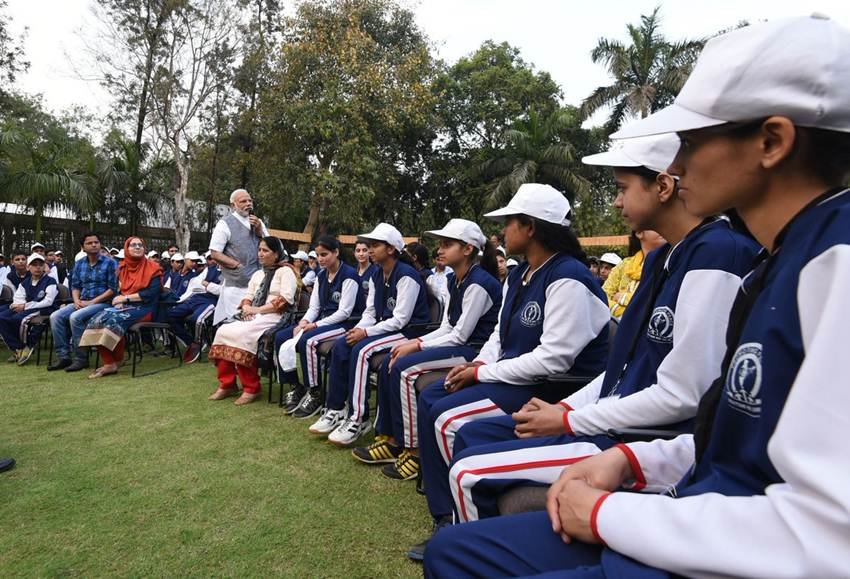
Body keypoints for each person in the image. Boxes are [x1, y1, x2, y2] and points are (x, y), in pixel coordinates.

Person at [425, 14, 850, 577]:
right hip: (697, 499)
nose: (678, 163)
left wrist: (605, 508)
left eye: (693, 142)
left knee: (465, 527)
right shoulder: (776, 256)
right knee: (456, 550)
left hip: (733, 539)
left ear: (772, 141)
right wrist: (628, 460)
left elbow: (824, 535)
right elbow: (725, 435)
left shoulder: (824, 260)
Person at [441, 133, 760, 527]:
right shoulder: (665, 259)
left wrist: (570, 420)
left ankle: (473, 539)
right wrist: (567, 410)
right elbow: (620, 372)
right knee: (476, 436)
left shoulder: (717, 254)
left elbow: (684, 396)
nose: (616, 201)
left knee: (470, 469)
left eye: (623, 189)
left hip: (642, 437)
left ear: (662, 186)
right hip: (611, 418)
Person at [410, 183, 611, 559]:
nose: (502, 232)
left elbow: (555, 360)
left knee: (448, 418)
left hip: (552, 389)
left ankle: (456, 522)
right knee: (432, 395)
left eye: (509, 222)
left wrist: (482, 375)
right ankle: (442, 506)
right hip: (513, 377)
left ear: (530, 226)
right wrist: (479, 364)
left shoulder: (568, 276)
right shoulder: (520, 275)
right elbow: (500, 337)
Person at [352, 219, 502, 482]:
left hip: (474, 351)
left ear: (468, 249)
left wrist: (417, 344)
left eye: (447, 244)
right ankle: (391, 438)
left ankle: (414, 450)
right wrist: (412, 343)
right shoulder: (457, 278)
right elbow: (446, 326)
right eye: (440, 244)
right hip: (459, 344)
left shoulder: (478, 282)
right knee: (393, 357)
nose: (440, 250)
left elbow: (460, 335)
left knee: (404, 369)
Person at [309, 223, 431, 446]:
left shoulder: (407, 276)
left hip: (409, 331)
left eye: (375, 245)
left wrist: (366, 332)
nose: (370, 249)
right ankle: (335, 408)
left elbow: (400, 320)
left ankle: (359, 418)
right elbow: (371, 312)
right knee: (342, 343)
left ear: (392, 249)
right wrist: (360, 329)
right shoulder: (376, 274)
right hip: (386, 328)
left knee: (362, 350)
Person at [275, 235, 366, 417]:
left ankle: (315, 391)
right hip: (324, 321)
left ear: (336, 252)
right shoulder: (321, 275)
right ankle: (296, 385)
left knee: (308, 342)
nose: (321, 259)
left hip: (345, 324)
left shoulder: (349, 275)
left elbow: (344, 312)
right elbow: (315, 306)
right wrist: (304, 322)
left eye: (324, 254)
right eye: (318, 255)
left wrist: (314, 325)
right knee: (281, 336)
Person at [208, 236, 298, 405]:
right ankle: (227, 384)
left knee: (243, 334)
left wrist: (256, 310)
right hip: (255, 315)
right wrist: (246, 309)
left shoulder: (286, 271)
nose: (260, 254)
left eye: (265, 251)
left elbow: (285, 300)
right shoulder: (258, 273)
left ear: (276, 254)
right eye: (259, 250)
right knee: (222, 330)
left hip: (276, 316)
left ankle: (251, 387)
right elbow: (248, 296)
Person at [79, 237, 163, 379]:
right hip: (125, 306)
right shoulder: (122, 267)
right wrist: (119, 299)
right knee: (96, 319)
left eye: (140, 245)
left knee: (114, 321)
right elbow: (118, 290)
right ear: (126, 249)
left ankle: (115, 361)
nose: (137, 247)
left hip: (145, 308)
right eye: (133, 245)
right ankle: (110, 362)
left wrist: (125, 298)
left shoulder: (153, 268)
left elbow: (151, 293)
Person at [47, 232, 118, 372]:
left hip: (103, 303)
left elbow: (112, 289)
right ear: (82, 247)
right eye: (89, 243)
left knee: (75, 317)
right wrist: (76, 300)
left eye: (96, 242)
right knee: (55, 316)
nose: (94, 245)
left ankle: (81, 359)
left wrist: (92, 302)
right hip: (82, 301)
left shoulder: (110, 262)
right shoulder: (79, 264)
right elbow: (75, 286)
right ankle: (63, 357)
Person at [209, 190, 269, 325]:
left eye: (250, 201)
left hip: (259, 284)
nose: (248, 204)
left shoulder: (258, 222)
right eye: (243, 201)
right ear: (233, 205)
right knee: (238, 323)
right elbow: (215, 253)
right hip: (237, 286)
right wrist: (237, 266)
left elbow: (272, 247)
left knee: (254, 323)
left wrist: (259, 231)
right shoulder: (225, 223)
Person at [0, 253, 58, 365]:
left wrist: (25, 306)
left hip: (45, 309)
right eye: (34, 265)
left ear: (44, 267)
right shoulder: (25, 282)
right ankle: (17, 347)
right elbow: (18, 297)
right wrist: (16, 305)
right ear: (28, 267)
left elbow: (48, 301)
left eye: (40, 265)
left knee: (19, 319)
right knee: (2, 317)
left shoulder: (50, 281)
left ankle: (27, 346)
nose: (37, 267)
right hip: (27, 307)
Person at [167, 250, 221, 364]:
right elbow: (193, 287)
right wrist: (178, 301)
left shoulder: (227, 271)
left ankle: (198, 342)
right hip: (193, 298)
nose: (211, 260)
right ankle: (191, 343)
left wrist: (208, 285)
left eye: (213, 258)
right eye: (209, 258)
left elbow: (223, 291)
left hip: (209, 300)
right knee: (169, 315)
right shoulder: (206, 270)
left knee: (197, 319)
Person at [603, 230, 666, 318]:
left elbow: (658, 303)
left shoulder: (670, 265)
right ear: (640, 233)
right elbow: (603, 298)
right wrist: (624, 313)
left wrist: (622, 297)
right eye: (657, 224)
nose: (663, 228)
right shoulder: (624, 265)